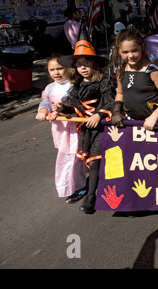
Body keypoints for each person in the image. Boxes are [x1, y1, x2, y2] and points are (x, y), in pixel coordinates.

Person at [57, 40, 116, 214]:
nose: (83, 68)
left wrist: (99, 114)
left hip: (103, 127)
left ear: (94, 65)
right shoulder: (76, 85)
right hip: (85, 129)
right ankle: (91, 189)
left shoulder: (103, 82)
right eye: (79, 65)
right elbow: (71, 103)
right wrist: (61, 108)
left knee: (97, 161)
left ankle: (92, 196)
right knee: (91, 161)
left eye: (87, 63)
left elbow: (110, 101)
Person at [36, 54, 86, 203]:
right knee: (67, 156)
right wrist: (43, 111)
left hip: (74, 126)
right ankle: (75, 184)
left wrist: (64, 109)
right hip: (60, 129)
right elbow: (45, 102)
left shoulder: (74, 85)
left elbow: (79, 105)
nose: (56, 73)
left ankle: (79, 186)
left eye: (60, 68)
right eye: (52, 70)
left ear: (68, 69)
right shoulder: (50, 88)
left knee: (74, 158)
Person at [110, 27, 158, 131]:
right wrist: (116, 112)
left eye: (134, 50)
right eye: (125, 52)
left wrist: (154, 117)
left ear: (142, 47)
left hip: (153, 124)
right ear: (119, 51)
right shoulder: (121, 70)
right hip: (130, 123)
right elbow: (120, 93)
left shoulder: (153, 70)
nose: (130, 55)